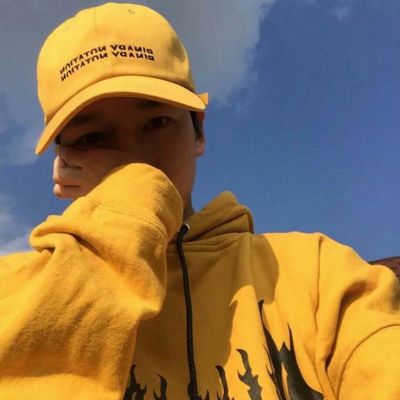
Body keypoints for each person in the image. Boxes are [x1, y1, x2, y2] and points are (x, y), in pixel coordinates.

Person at [0, 3, 399, 400]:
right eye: (93, 138)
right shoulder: (16, 290)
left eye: (156, 122)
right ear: (64, 161)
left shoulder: (319, 276)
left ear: (199, 130)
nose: (135, 160)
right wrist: (133, 197)